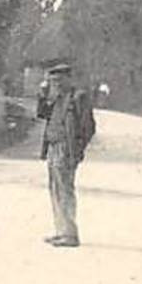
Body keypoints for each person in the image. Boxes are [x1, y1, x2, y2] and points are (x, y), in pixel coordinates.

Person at [38, 62, 93, 248]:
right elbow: (41, 114)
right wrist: (43, 94)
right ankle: (60, 231)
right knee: (55, 189)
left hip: (66, 148)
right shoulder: (55, 97)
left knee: (65, 189)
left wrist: (77, 149)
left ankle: (70, 234)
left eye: (60, 80)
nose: (57, 84)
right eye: (54, 81)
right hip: (53, 147)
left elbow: (88, 127)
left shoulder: (78, 97)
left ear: (69, 79)